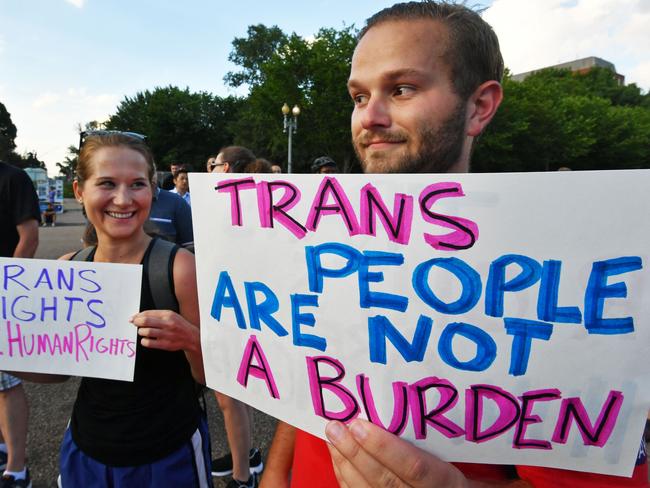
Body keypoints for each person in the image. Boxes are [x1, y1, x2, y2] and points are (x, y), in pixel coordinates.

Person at [260, 2, 649, 488]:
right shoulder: (321, 243)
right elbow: (306, 382)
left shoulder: (558, 274)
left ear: (480, 105)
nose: (370, 117)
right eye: (359, 96)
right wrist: (274, 476)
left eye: (401, 89)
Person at [19, 132, 211, 487]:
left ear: (152, 190)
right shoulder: (69, 268)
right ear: (79, 190)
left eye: (137, 184)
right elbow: (60, 371)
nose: (123, 199)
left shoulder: (180, 269)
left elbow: (208, 377)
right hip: (86, 448)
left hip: (167, 453)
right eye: (106, 183)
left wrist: (192, 340)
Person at [209, 145, 264, 488]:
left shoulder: (238, 203)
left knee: (230, 395)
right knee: (232, 395)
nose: (209, 168)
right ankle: (245, 454)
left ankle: (243, 475)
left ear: (225, 167)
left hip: (236, 307)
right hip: (236, 304)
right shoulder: (238, 200)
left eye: (213, 164)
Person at [0, 161, 39, 488]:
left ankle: (17, 467)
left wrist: (7, 289)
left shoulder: (13, 178)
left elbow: (28, 238)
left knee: (6, 380)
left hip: (3, 293)